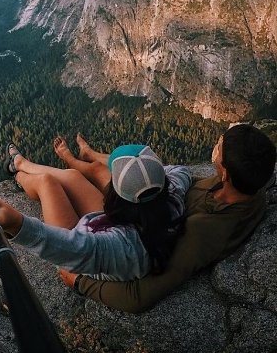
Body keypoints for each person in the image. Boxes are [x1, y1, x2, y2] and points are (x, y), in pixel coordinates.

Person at [64, 123, 276, 312]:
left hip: (143, 221)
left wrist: (80, 282)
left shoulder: (202, 231)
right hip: (157, 206)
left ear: (226, 174)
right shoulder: (247, 186)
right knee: (132, 170)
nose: (216, 147)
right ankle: (90, 154)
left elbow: (139, 297)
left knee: (89, 175)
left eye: (220, 149)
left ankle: (73, 160)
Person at [0, 140, 192, 281]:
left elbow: (73, 248)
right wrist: (140, 167)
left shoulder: (121, 247)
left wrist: (16, 225)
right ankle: (21, 164)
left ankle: (19, 174)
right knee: (73, 176)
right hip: (116, 220)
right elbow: (180, 170)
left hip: (78, 243)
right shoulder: (172, 195)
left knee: (46, 182)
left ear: (116, 193)